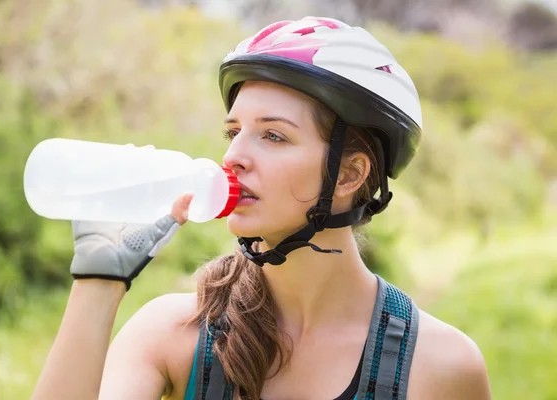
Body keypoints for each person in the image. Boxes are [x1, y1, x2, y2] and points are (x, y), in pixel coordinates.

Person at [32, 17, 492, 400]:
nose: (233, 157)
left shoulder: (441, 366)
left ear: (349, 175)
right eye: (234, 132)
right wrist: (98, 282)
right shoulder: (172, 335)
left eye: (273, 135)